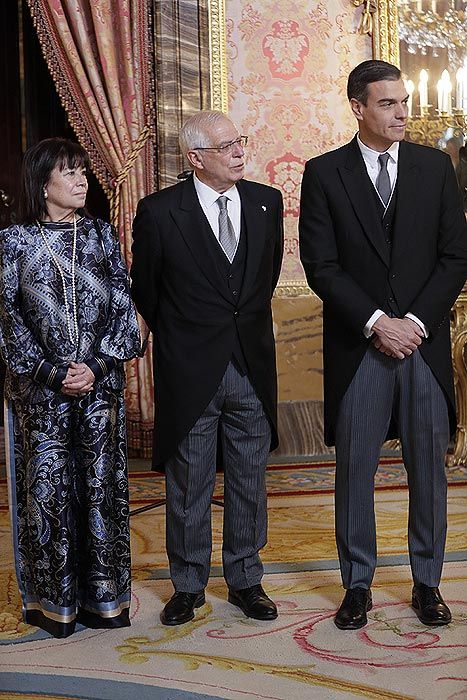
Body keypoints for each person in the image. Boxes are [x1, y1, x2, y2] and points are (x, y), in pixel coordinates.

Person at [299, 60, 467, 630]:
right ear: (359, 108)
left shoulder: (434, 167)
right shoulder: (324, 174)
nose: (402, 112)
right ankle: (357, 585)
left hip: (422, 343)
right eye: (389, 103)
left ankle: (428, 583)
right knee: (355, 472)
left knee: (428, 469)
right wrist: (377, 322)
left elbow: (455, 258)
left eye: (404, 101)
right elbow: (320, 264)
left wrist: (414, 321)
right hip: (360, 346)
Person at [131, 110, 283, 625]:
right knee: (190, 483)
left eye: (240, 141)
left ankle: (245, 580)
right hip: (190, 369)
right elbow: (147, 293)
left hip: (252, 366)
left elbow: (262, 280)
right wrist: (184, 342)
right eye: (226, 146)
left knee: (249, 480)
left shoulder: (268, 202)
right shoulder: (158, 212)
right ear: (195, 158)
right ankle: (188, 585)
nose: (240, 152)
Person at [0, 138, 141, 638]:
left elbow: (125, 313)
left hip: (98, 392)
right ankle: (54, 604)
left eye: (83, 171)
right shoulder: (13, 242)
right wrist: (52, 373)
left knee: (101, 490)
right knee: (51, 496)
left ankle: (105, 602)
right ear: (43, 185)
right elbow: (8, 321)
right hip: (42, 398)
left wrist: (96, 367)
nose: (82, 180)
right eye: (70, 173)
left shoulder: (102, 236)